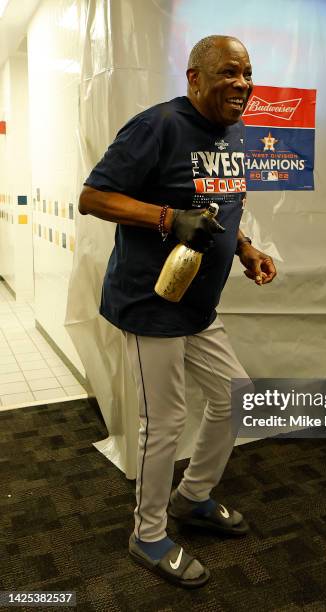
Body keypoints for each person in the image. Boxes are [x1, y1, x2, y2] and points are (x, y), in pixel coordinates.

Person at [78, 35, 276, 588]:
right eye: (229, 73)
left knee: (234, 399)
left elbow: (224, 206)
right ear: (194, 78)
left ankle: (193, 496)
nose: (242, 83)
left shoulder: (233, 132)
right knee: (163, 423)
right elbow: (93, 197)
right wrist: (168, 218)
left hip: (199, 306)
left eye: (248, 73)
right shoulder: (158, 125)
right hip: (151, 302)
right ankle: (148, 535)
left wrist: (246, 248)